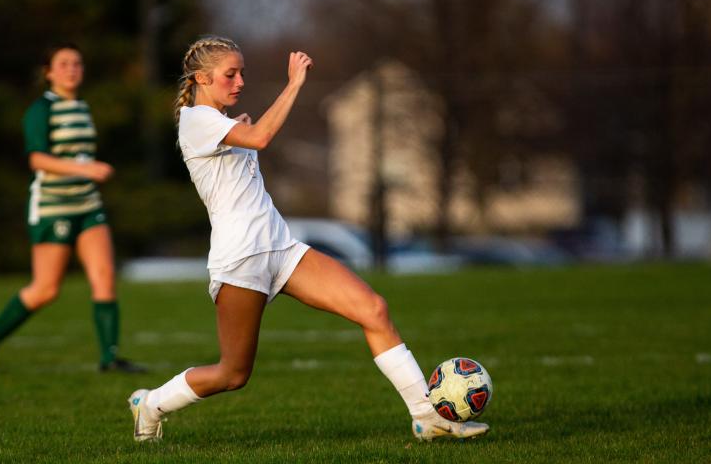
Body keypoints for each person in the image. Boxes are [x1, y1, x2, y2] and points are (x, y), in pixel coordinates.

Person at [127, 36, 488, 442]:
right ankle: (151, 403)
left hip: (282, 248)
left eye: (242, 71)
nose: (240, 80)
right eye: (231, 74)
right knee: (233, 374)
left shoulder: (220, 123)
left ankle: (427, 416)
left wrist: (240, 126)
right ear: (201, 78)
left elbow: (247, 141)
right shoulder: (195, 120)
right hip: (241, 261)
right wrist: (294, 83)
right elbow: (262, 137)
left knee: (373, 309)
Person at [0, 44, 144, 374]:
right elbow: (37, 159)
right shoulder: (41, 110)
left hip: (88, 204)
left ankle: (110, 358)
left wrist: (87, 176)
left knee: (105, 277)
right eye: (63, 64)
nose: (72, 69)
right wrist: (87, 169)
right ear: (48, 72)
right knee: (46, 289)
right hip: (53, 205)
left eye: (77, 63)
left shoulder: (82, 107)